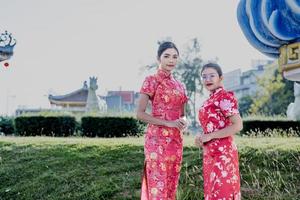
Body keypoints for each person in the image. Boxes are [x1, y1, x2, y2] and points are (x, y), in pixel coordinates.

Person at [137, 41, 188, 199]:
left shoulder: (180, 85)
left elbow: (183, 114)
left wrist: (184, 121)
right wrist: (167, 123)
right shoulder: (151, 80)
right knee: (157, 185)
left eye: (174, 57)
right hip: (156, 140)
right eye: (166, 56)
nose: (171, 60)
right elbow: (140, 113)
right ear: (158, 58)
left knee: (172, 184)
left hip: (175, 140)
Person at [195, 63, 243, 200]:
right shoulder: (210, 100)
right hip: (209, 154)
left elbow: (238, 125)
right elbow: (210, 126)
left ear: (220, 78)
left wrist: (210, 136)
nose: (207, 79)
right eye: (204, 77)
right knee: (212, 193)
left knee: (223, 192)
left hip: (224, 154)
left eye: (212, 75)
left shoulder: (225, 97)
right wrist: (201, 138)